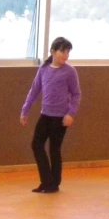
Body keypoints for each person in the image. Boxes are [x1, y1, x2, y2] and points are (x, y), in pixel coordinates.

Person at [20, 37, 81, 193]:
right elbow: (34, 91)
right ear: (53, 51)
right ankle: (46, 180)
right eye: (63, 51)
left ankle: (54, 183)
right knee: (36, 144)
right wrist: (25, 110)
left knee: (54, 149)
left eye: (68, 52)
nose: (66, 55)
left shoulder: (70, 71)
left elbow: (76, 94)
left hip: (60, 117)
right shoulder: (44, 69)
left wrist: (70, 113)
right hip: (45, 115)